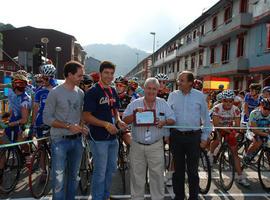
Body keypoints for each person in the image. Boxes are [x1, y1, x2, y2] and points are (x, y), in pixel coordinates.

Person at [122, 77, 175, 200]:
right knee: (137, 177)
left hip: (156, 145)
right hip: (137, 144)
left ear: (157, 90)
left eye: (154, 89)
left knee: (157, 177)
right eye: (149, 88)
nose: (151, 91)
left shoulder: (162, 103)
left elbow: (173, 119)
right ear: (144, 88)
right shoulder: (135, 103)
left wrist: (164, 122)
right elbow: (124, 120)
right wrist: (134, 114)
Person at [83, 61, 127, 200]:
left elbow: (115, 111)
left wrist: (119, 121)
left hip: (112, 138)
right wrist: (106, 124)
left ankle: (106, 196)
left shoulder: (112, 90)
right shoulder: (93, 92)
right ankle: (97, 197)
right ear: (100, 73)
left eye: (111, 73)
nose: (109, 76)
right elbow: (86, 116)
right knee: (100, 172)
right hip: (98, 138)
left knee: (111, 170)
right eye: (106, 73)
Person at [43, 61, 88, 200]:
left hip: (77, 141)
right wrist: (68, 126)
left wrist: (82, 126)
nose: (82, 78)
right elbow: (46, 118)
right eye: (79, 76)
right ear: (69, 75)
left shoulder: (80, 93)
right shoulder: (55, 92)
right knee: (59, 180)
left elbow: (81, 113)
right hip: (59, 141)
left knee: (74, 178)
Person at [167, 71, 212, 200]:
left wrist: (204, 137)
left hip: (194, 137)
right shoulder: (172, 95)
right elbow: (166, 115)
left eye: (181, 80)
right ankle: (179, 196)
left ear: (190, 83)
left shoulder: (199, 96)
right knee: (178, 171)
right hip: (176, 137)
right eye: (179, 80)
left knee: (193, 171)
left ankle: (194, 197)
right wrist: (166, 135)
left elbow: (206, 118)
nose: (178, 82)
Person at [209, 90, 249, 186]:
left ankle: (240, 177)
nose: (228, 103)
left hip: (229, 129)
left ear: (233, 101)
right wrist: (228, 129)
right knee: (218, 140)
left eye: (230, 101)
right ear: (222, 100)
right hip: (219, 128)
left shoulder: (235, 109)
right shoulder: (217, 108)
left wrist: (234, 131)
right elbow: (216, 124)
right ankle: (210, 154)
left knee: (235, 153)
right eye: (225, 101)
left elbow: (237, 124)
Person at [243, 98, 270, 164]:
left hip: (264, 131)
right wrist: (267, 135)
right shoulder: (254, 113)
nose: (267, 111)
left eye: (269, 109)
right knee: (258, 142)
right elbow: (255, 130)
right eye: (265, 108)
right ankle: (247, 156)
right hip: (251, 130)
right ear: (261, 106)